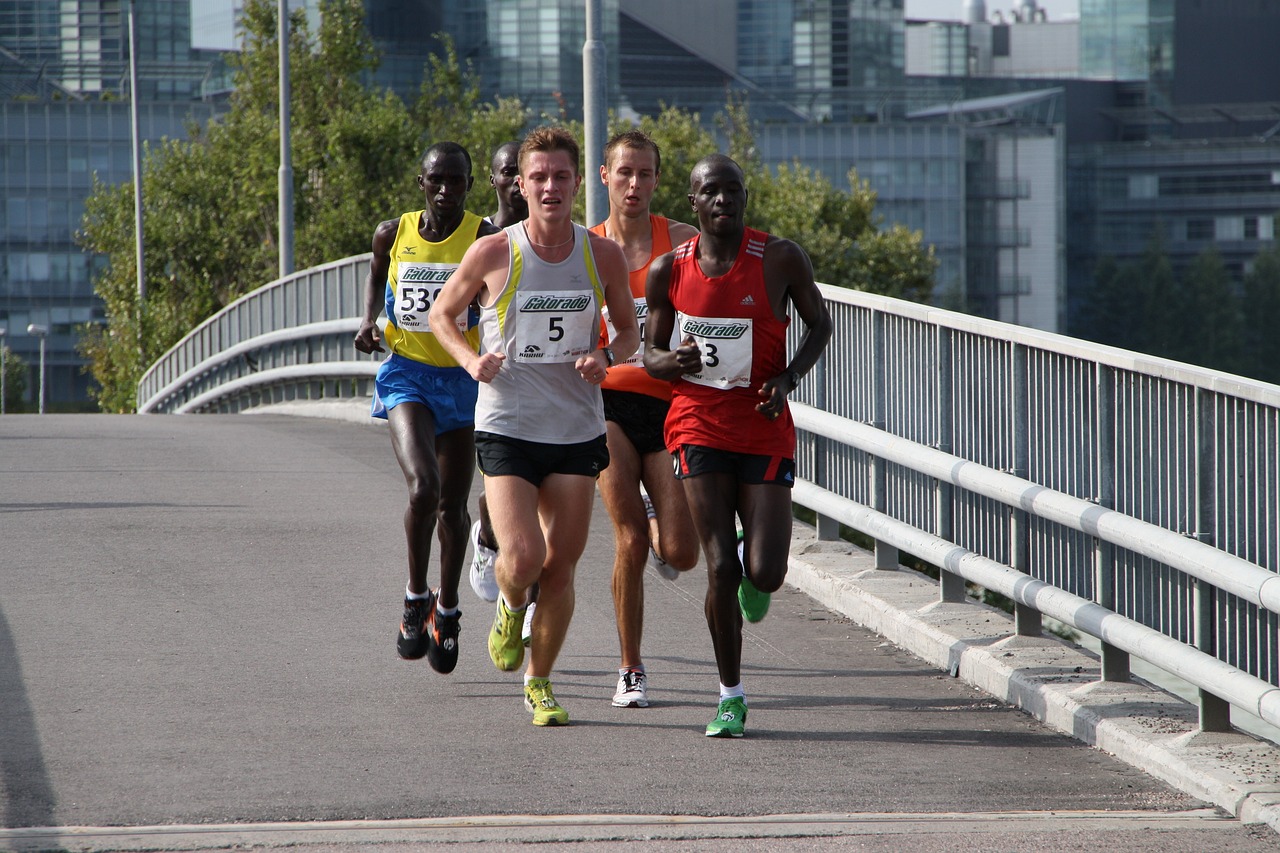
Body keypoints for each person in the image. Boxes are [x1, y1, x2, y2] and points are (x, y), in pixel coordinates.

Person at [430, 126, 638, 727]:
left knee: (562, 568)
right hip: (507, 421)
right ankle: (508, 606)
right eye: (538, 177)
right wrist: (472, 360)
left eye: (561, 176)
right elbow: (444, 315)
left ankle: (539, 682)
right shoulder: (495, 251)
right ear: (520, 186)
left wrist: (607, 357)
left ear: (578, 184)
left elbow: (627, 331)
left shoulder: (601, 255)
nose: (550, 187)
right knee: (522, 558)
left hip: (575, 427)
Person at [644, 153, 833, 737]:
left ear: (744, 197)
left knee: (767, 573)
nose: (723, 200)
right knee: (721, 566)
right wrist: (672, 361)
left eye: (732, 191)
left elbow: (820, 325)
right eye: (710, 192)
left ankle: (759, 557)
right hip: (697, 423)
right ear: (693, 202)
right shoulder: (667, 270)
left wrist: (788, 377)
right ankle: (731, 695)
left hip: (763, 422)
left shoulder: (778, 258)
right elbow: (649, 356)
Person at [354, 142, 499, 674]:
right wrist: (368, 321)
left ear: (468, 185)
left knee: (453, 508)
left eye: (456, 181)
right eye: (436, 180)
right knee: (424, 487)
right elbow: (375, 274)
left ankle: (449, 607)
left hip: (461, 380)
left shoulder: (483, 238)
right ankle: (416, 596)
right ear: (422, 183)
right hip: (407, 375)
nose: (445, 191)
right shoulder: (394, 233)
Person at [589, 130, 700, 709]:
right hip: (605, 403)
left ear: (658, 181)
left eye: (645, 174)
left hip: (668, 404)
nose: (634, 184)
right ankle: (631, 669)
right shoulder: (583, 247)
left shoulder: (682, 243)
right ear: (603, 176)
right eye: (624, 172)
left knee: (681, 553)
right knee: (628, 539)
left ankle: (662, 517)